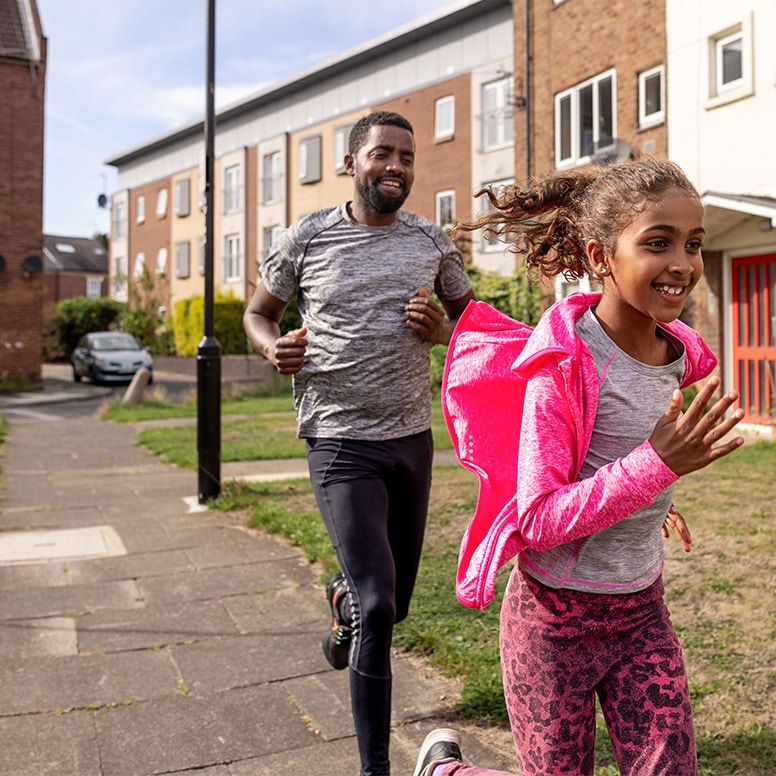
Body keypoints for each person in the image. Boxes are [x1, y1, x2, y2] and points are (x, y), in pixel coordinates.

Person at [412, 158, 745, 776]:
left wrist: (655, 497)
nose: (682, 262)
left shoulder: (678, 354)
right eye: (658, 243)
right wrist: (655, 467)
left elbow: (619, 459)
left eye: (694, 244)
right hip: (553, 621)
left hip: (641, 610)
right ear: (600, 257)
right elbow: (537, 519)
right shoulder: (563, 365)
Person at [243, 110, 475, 776]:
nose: (396, 165)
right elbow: (259, 313)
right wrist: (272, 348)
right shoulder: (307, 238)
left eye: (406, 156)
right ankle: (375, 768)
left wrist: (443, 332)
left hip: (411, 440)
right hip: (338, 439)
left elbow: (474, 323)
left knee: (390, 605)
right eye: (382, 153)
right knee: (380, 606)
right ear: (352, 163)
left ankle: (343, 600)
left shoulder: (431, 240)